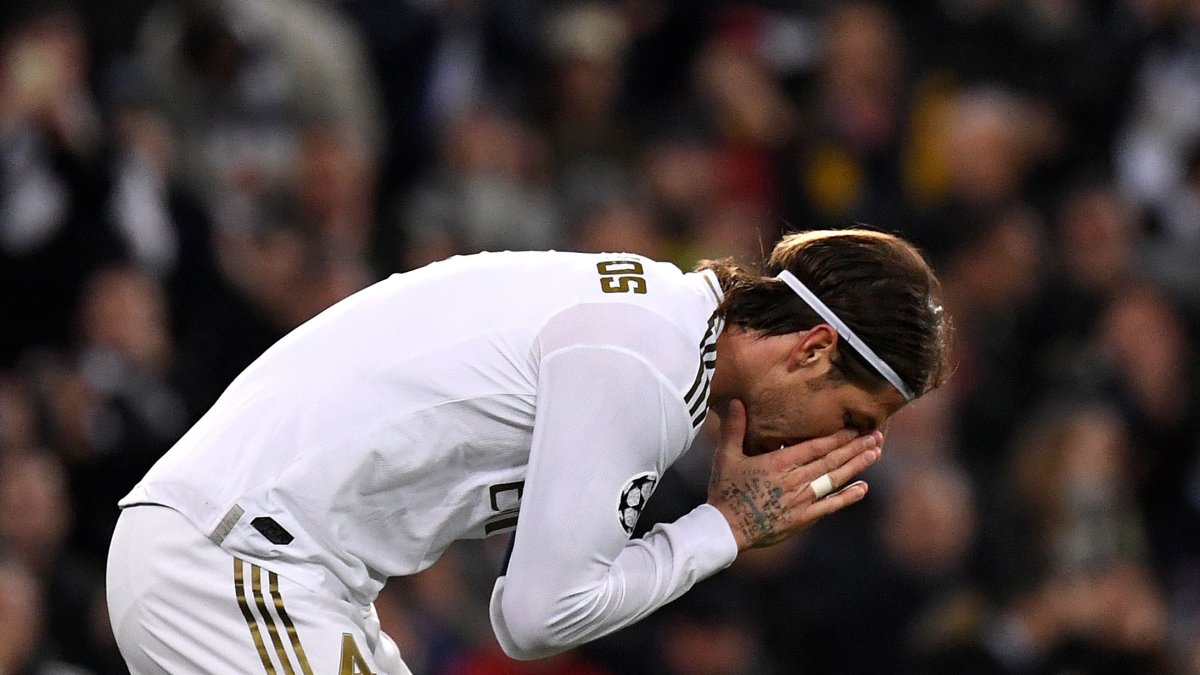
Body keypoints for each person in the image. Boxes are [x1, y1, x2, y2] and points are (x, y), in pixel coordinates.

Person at [105, 228, 952, 674]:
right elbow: (535, 617)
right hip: (235, 564)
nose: (833, 446)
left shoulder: (659, 316)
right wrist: (721, 528)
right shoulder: (647, 362)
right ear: (810, 348)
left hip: (247, 557)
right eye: (848, 413)